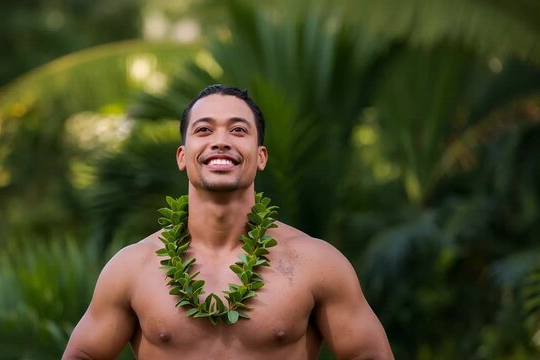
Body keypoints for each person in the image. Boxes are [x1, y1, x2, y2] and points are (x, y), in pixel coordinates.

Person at [63, 85, 394, 360]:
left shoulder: (316, 263)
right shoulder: (133, 267)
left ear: (260, 156)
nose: (220, 141)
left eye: (238, 130)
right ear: (182, 156)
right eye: (204, 130)